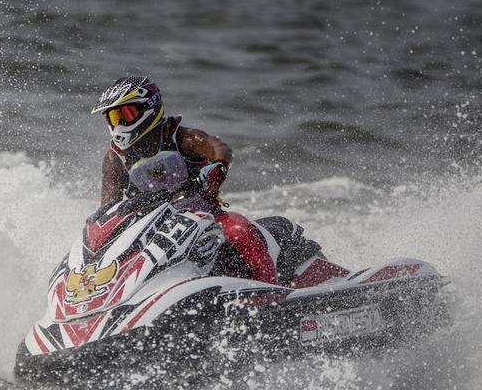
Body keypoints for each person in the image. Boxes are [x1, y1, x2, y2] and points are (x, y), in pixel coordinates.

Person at [91, 75, 328, 286]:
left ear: (149, 108)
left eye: (125, 115)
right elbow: (109, 208)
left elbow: (219, 148)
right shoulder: (115, 160)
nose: (118, 125)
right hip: (153, 230)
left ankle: (270, 294)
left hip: (206, 219)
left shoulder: (184, 138)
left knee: (240, 229)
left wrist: (217, 167)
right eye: (112, 118)